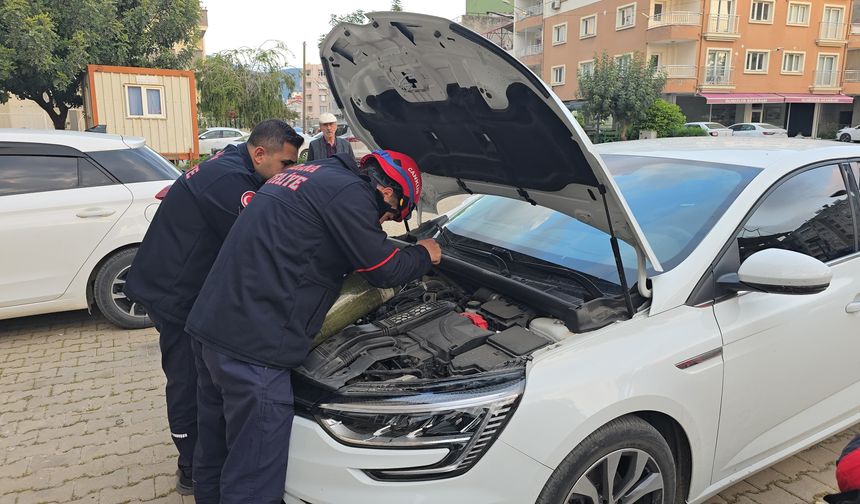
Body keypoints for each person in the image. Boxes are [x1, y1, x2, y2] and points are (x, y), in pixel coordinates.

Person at [185, 149, 441, 503]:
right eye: (392, 214)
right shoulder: (350, 196)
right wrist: (425, 253)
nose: (384, 222)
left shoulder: (315, 172)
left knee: (214, 444)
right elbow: (385, 269)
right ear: (387, 193)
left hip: (211, 325)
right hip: (253, 349)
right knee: (254, 475)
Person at [122, 120, 303, 495]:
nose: (290, 172)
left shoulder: (238, 165)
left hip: (183, 288)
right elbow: (260, 241)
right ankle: (189, 465)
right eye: (286, 164)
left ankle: (201, 457)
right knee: (186, 380)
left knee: (197, 380)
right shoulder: (230, 182)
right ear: (259, 154)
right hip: (174, 295)